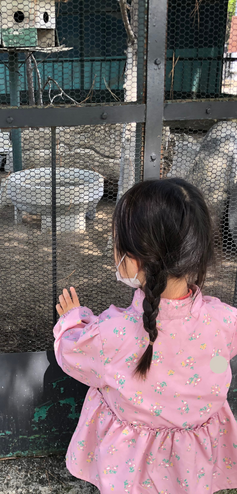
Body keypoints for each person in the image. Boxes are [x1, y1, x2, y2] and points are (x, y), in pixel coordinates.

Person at [53, 178, 237, 494]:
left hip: (130, 465)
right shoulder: (226, 320)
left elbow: (72, 356)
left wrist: (72, 320)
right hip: (192, 460)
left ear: (134, 259)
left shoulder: (111, 333)